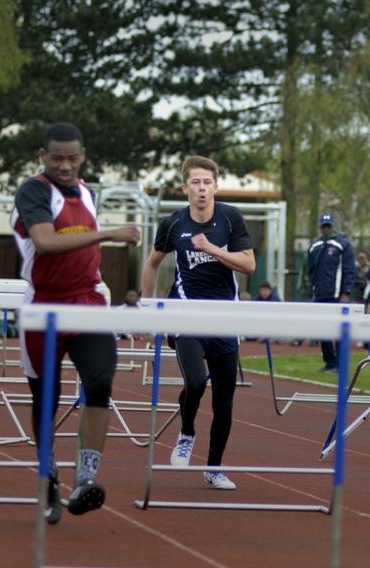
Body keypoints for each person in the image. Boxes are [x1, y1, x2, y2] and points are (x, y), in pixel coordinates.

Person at [11, 122, 141, 522]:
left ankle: (85, 479)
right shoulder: (34, 191)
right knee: (45, 398)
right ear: (42, 156)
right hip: (44, 308)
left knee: (100, 381)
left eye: (72, 158)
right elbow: (47, 242)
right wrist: (107, 234)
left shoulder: (86, 191)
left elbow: (82, 252)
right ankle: (48, 475)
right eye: (56, 158)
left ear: (82, 155)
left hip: (87, 303)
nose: (64, 166)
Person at [141, 155, 255, 490]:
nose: (202, 189)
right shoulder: (173, 223)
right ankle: (187, 432)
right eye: (195, 182)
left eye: (207, 182)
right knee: (194, 381)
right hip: (185, 314)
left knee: (224, 399)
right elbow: (152, 263)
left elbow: (248, 265)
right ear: (185, 187)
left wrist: (213, 249)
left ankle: (214, 467)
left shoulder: (230, 218)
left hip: (224, 317)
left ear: (216, 186)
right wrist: (147, 306)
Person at [307, 212, 355, 372]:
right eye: (323, 226)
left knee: (339, 330)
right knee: (323, 330)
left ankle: (341, 364)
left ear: (333, 226)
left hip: (337, 295)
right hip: (320, 294)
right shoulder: (315, 246)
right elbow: (311, 271)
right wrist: (312, 291)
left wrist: (345, 292)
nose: (326, 229)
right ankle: (330, 363)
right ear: (320, 227)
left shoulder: (343, 245)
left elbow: (349, 270)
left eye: (329, 226)